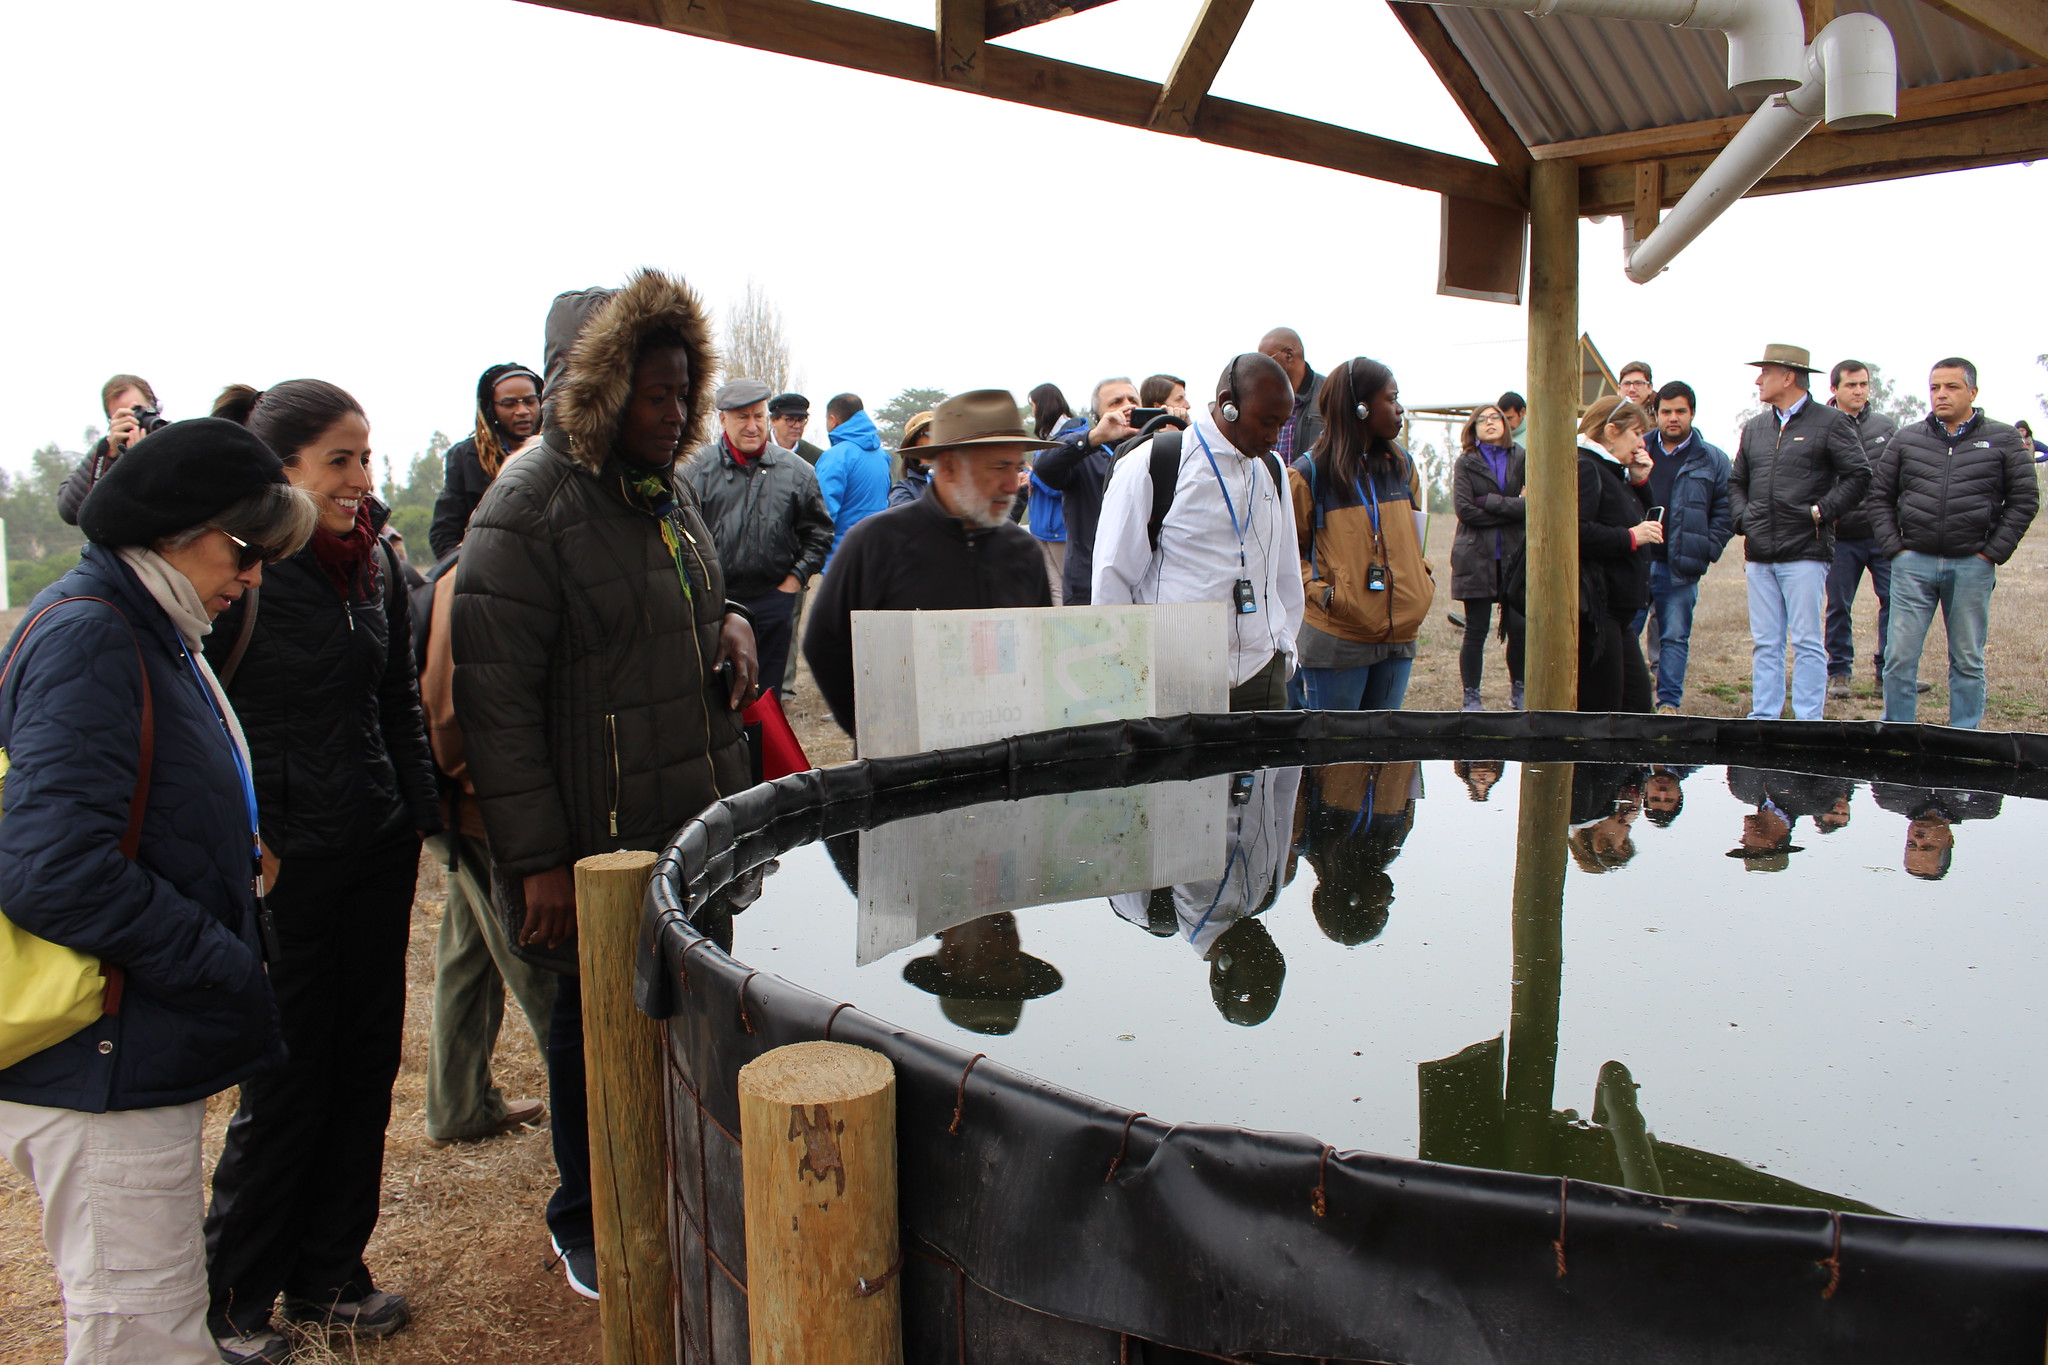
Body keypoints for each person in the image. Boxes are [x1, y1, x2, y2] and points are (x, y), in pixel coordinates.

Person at [454, 269, 758, 1302]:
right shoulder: (528, 504)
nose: (673, 415)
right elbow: (495, 704)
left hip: (688, 817)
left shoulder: (662, 485)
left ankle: (675, 1187)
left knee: (680, 1017)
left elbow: (688, 594)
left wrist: (729, 621)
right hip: (597, 840)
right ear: (597, 389)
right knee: (594, 1033)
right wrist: (539, 862)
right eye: (652, 394)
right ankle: (586, 1218)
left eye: (683, 394)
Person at [0, 420, 314, 1365]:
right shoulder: (96, 633)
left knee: (154, 1313)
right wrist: (219, 959)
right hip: (101, 1057)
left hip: (126, 1043)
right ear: (175, 529)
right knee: (139, 1326)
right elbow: (51, 866)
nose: (254, 575)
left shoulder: (146, 621)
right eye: (245, 549)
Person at [199, 380, 441, 1358]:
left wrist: (418, 819)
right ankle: (231, 1299)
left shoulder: (375, 562)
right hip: (283, 871)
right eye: (338, 460)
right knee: (290, 1081)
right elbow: (197, 720)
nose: (359, 479)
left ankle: (331, 1272)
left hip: (374, 855)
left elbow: (398, 703)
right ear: (283, 470)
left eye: (366, 457)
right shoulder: (243, 576)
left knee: (365, 1064)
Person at [803, 390, 1055, 738]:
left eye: (1016, 467)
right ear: (948, 467)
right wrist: (877, 730)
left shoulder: (1023, 551)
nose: (1013, 484)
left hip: (1003, 752)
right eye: (998, 467)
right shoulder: (876, 543)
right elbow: (824, 645)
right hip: (904, 757)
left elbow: (1039, 653)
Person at [1094, 355, 1304, 711]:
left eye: (1282, 424)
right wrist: (1126, 676)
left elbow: (1286, 570)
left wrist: (1283, 645)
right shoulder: (1151, 464)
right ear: (1228, 405)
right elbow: (1111, 578)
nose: (1274, 437)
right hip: (1176, 676)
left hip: (1261, 674)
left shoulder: (1272, 469)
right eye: (1267, 422)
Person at [1867, 357, 2039, 729]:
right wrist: (1896, 550)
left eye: (1951, 387)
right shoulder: (1907, 438)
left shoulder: (2004, 438)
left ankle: (1964, 735)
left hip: (1972, 565)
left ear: (1973, 392)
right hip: (1913, 564)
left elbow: (2025, 500)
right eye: (1935, 387)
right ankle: (1898, 733)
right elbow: (1879, 497)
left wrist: (1991, 553)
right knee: (1899, 657)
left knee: (1967, 659)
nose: (1941, 394)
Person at [1728, 344, 1870, 721]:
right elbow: (1737, 481)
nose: (1758, 380)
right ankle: (1764, 718)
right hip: (1760, 554)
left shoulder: (1831, 422)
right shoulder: (1755, 428)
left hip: (1806, 551)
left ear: (1789, 377)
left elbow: (1859, 475)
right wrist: (1743, 518)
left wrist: (1820, 512)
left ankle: (1809, 721)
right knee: (1765, 642)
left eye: (1765, 373)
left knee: (1807, 641)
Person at [1288, 357, 1431, 710]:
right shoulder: (1308, 475)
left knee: (1384, 742)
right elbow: (1286, 554)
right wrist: (1326, 595)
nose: (1399, 409)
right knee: (1337, 742)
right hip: (1339, 638)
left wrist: (1422, 579)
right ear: (1361, 407)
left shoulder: (1402, 466)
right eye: (1392, 398)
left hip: (1400, 635)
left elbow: (1416, 537)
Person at [681, 378, 834, 698]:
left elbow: (819, 533)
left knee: (766, 699)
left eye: (758, 416)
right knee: (714, 694)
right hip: (713, 605)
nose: (752, 426)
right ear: (722, 419)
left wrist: (794, 580)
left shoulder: (797, 471)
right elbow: (679, 537)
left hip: (773, 602)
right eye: (742, 417)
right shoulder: (694, 470)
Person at [1630, 380, 1732, 714]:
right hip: (1636, 561)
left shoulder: (1712, 459)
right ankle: (1625, 701)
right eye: (1666, 411)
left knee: (1674, 637)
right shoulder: (1636, 450)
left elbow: (1726, 510)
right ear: (1656, 413)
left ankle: (1668, 703)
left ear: (1692, 413)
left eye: (1680, 411)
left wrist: (1707, 548)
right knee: (1625, 633)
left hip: (1680, 566)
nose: (1673, 418)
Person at [1574, 396, 1661, 713]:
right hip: (1597, 612)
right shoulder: (1586, 468)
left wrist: (1640, 482)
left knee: (1635, 705)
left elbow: (1633, 515)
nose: (1641, 443)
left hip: (1616, 614)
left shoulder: (1612, 471)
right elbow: (1574, 532)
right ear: (1611, 431)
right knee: (1605, 709)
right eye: (1636, 433)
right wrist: (1630, 537)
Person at [1821, 359, 1900, 699]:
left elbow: (1901, 474)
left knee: (1894, 601)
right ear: (1834, 389)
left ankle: (1888, 673)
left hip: (1882, 533)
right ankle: (1839, 672)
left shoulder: (1886, 427)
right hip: (1840, 536)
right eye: (1851, 385)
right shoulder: (1821, 426)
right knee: (1839, 605)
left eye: (1863, 384)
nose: (1858, 391)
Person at [1031, 376, 1141, 606]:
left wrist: (1179, 431)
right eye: (1116, 402)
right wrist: (1094, 438)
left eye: (1133, 400)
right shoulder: (1086, 454)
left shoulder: (1160, 449)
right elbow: (1044, 466)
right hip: (1090, 584)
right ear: (1098, 416)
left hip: (1145, 582)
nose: (1127, 406)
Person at [1450, 403, 1526, 711]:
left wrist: (1489, 501)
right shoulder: (1466, 462)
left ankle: (1519, 689)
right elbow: (1465, 510)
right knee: (1476, 630)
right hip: (1476, 556)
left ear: (1506, 424)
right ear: (1474, 428)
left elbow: (1532, 505)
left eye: (1495, 417)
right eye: (1482, 419)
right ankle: (1471, 695)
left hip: (1514, 555)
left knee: (1520, 628)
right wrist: (1512, 507)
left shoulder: (1521, 457)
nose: (1490, 422)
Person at [428, 363, 543, 559]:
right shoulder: (466, 457)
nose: (522, 410)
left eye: (530, 401)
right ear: (491, 409)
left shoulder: (560, 451)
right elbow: (444, 535)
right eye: (509, 404)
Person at [58, 374, 167, 526]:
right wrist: (108, 453)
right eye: (124, 416)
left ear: (155, 406)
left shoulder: (181, 440)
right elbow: (70, 511)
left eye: (139, 410)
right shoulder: (109, 454)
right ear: (112, 422)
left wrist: (145, 458)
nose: (134, 420)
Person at [1025, 383, 1083, 605]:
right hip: (1042, 529)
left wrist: (1032, 478)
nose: (1032, 412)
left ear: (1042, 406)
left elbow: (1059, 484)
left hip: (1060, 529)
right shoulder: (1048, 439)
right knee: (1054, 589)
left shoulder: (1071, 439)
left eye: (1033, 406)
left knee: (1068, 589)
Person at [1871, 783, 2002, 880]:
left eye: (1912, 843)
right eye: (1927, 846)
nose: (1918, 838)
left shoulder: (1888, 798)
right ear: (1949, 839)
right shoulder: (1983, 807)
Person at [816, 393, 890, 561]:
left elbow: (822, 515)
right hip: (875, 556)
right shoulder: (882, 456)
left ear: (833, 419)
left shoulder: (835, 457)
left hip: (838, 560)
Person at [1259, 327, 1323, 464]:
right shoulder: (1265, 399)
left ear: (1289, 355)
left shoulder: (1328, 394)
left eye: (1266, 360)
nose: (1262, 368)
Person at [888, 410, 936, 507]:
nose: (939, 437)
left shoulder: (956, 480)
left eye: (941, 432)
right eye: (930, 432)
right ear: (914, 443)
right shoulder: (904, 491)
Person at [769, 391, 823, 464]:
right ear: (773, 420)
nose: (797, 426)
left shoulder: (816, 457)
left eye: (801, 420)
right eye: (790, 420)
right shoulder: (757, 449)